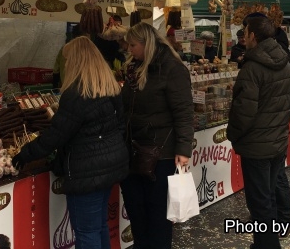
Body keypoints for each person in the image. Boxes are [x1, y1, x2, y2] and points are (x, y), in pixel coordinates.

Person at [11, 36, 129, 249]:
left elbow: (56, 135)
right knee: (99, 226)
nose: (65, 64)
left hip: (87, 171)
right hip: (112, 164)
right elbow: (120, 126)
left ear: (76, 61)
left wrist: (25, 154)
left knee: (86, 232)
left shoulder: (77, 94)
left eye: (67, 60)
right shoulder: (110, 87)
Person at [120, 22, 194, 249]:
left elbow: (183, 111)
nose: (129, 50)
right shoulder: (134, 68)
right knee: (136, 210)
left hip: (160, 152)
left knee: (157, 213)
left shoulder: (172, 68)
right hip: (133, 148)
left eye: (133, 45)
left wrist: (183, 149)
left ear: (146, 43)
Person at [227, 16, 290, 249]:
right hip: (277, 140)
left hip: (257, 145)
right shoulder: (284, 61)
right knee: (269, 195)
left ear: (253, 36)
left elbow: (243, 111)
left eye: (245, 32)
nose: (243, 36)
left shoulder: (252, 67)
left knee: (260, 202)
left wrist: (233, 134)